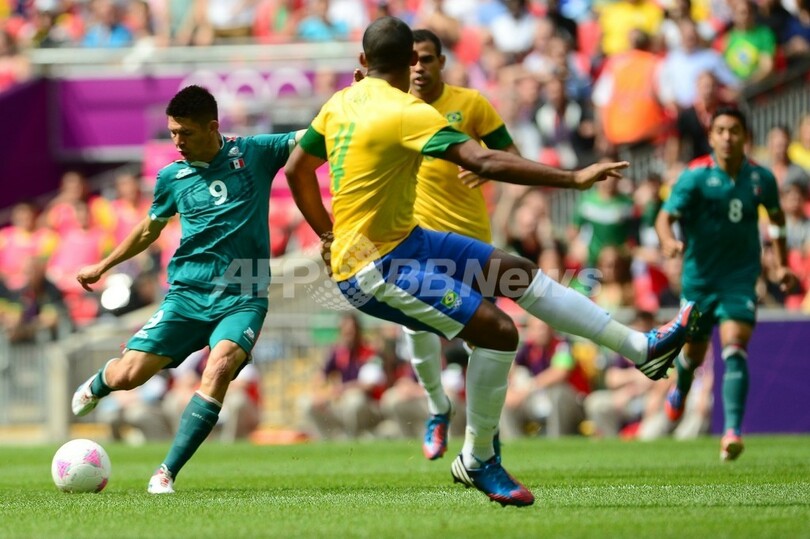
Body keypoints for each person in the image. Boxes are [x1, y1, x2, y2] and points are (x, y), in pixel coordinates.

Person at [285, 16, 698, 507]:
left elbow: (296, 170)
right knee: (500, 333)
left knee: (519, 274)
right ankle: (478, 457)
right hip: (374, 268)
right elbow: (482, 161)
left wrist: (326, 233)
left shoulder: (340, 102)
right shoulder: (405, 111)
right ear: (411, 61)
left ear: (362, 62)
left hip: (406, 241)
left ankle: (640, 347)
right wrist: (572, 176)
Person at [71, 85, 303, 494]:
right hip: (187, 294)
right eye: (172, 132)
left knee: (221, 364)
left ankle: (166, 472)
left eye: (185, 134)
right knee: (130, 374)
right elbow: (148, 229)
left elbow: (313, 136)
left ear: (213, 128)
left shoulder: (256, 153)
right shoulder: (171, 177)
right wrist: (104, 265)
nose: (176, 143)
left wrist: (356, 100)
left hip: (244, 292)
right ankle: (101, 382)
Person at [655, 106, 797, 461]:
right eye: (720, 130)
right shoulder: (696, 176)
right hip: (701, 278)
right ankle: (681, 387)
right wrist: (668, 242)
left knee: (734, 346)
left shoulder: (761, 178)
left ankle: (732, 431)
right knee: (694, 352)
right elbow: (665, 216)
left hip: (739, 278)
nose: (727, 137)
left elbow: (777, 221)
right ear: (711, 136)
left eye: (734, 130)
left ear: (745, 136)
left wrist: (779, 265)